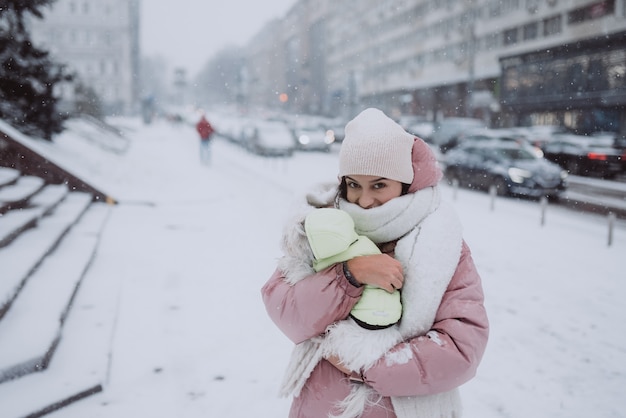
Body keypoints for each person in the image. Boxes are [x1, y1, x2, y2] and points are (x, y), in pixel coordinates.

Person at [261, 107, 489, 418]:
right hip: (323, 407)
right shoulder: (320, 227)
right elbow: (285, 310)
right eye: (353, 185)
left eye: (379, 185)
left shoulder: (442, 243)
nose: (364, 200)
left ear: (405, 183)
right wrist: (348, 275)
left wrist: (365, 364)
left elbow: (463, 347)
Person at [304, 207, 402, 329]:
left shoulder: (321, 261)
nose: (365, 202)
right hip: (392, 311)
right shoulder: (364, 242)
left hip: (361, 316)